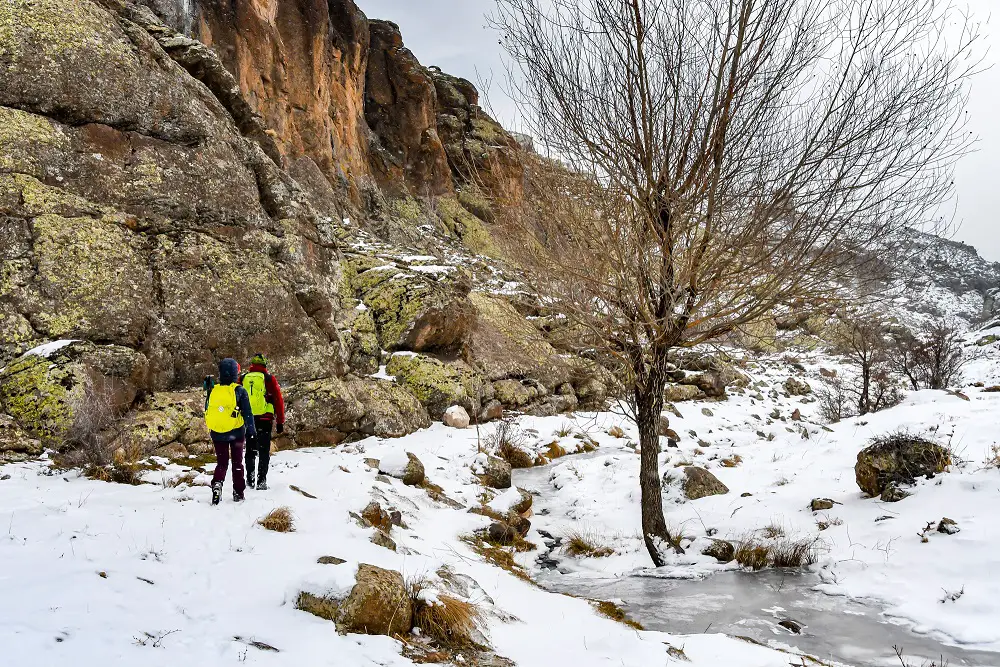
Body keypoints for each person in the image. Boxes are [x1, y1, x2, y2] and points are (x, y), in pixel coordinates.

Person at [204, 358, 256, 505]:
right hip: (236, 433)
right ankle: (238, 492)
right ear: (235, 373)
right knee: (237, 463)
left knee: (222, 463)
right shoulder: (239, 390)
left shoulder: (214, 390)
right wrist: (251, 432)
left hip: (217, 433)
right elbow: (248, 414)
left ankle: (217, 484)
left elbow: (208, 408)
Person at [240, 353, 285, 491]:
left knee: (250, 449)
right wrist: (280, 421)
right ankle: (261, 481)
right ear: (265, 364)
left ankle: (250, 478)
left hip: (248, 419)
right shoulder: (269, 379)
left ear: (252, 365)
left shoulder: (243, 378)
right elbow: (278, 399)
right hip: (265, 418)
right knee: (264, 450)